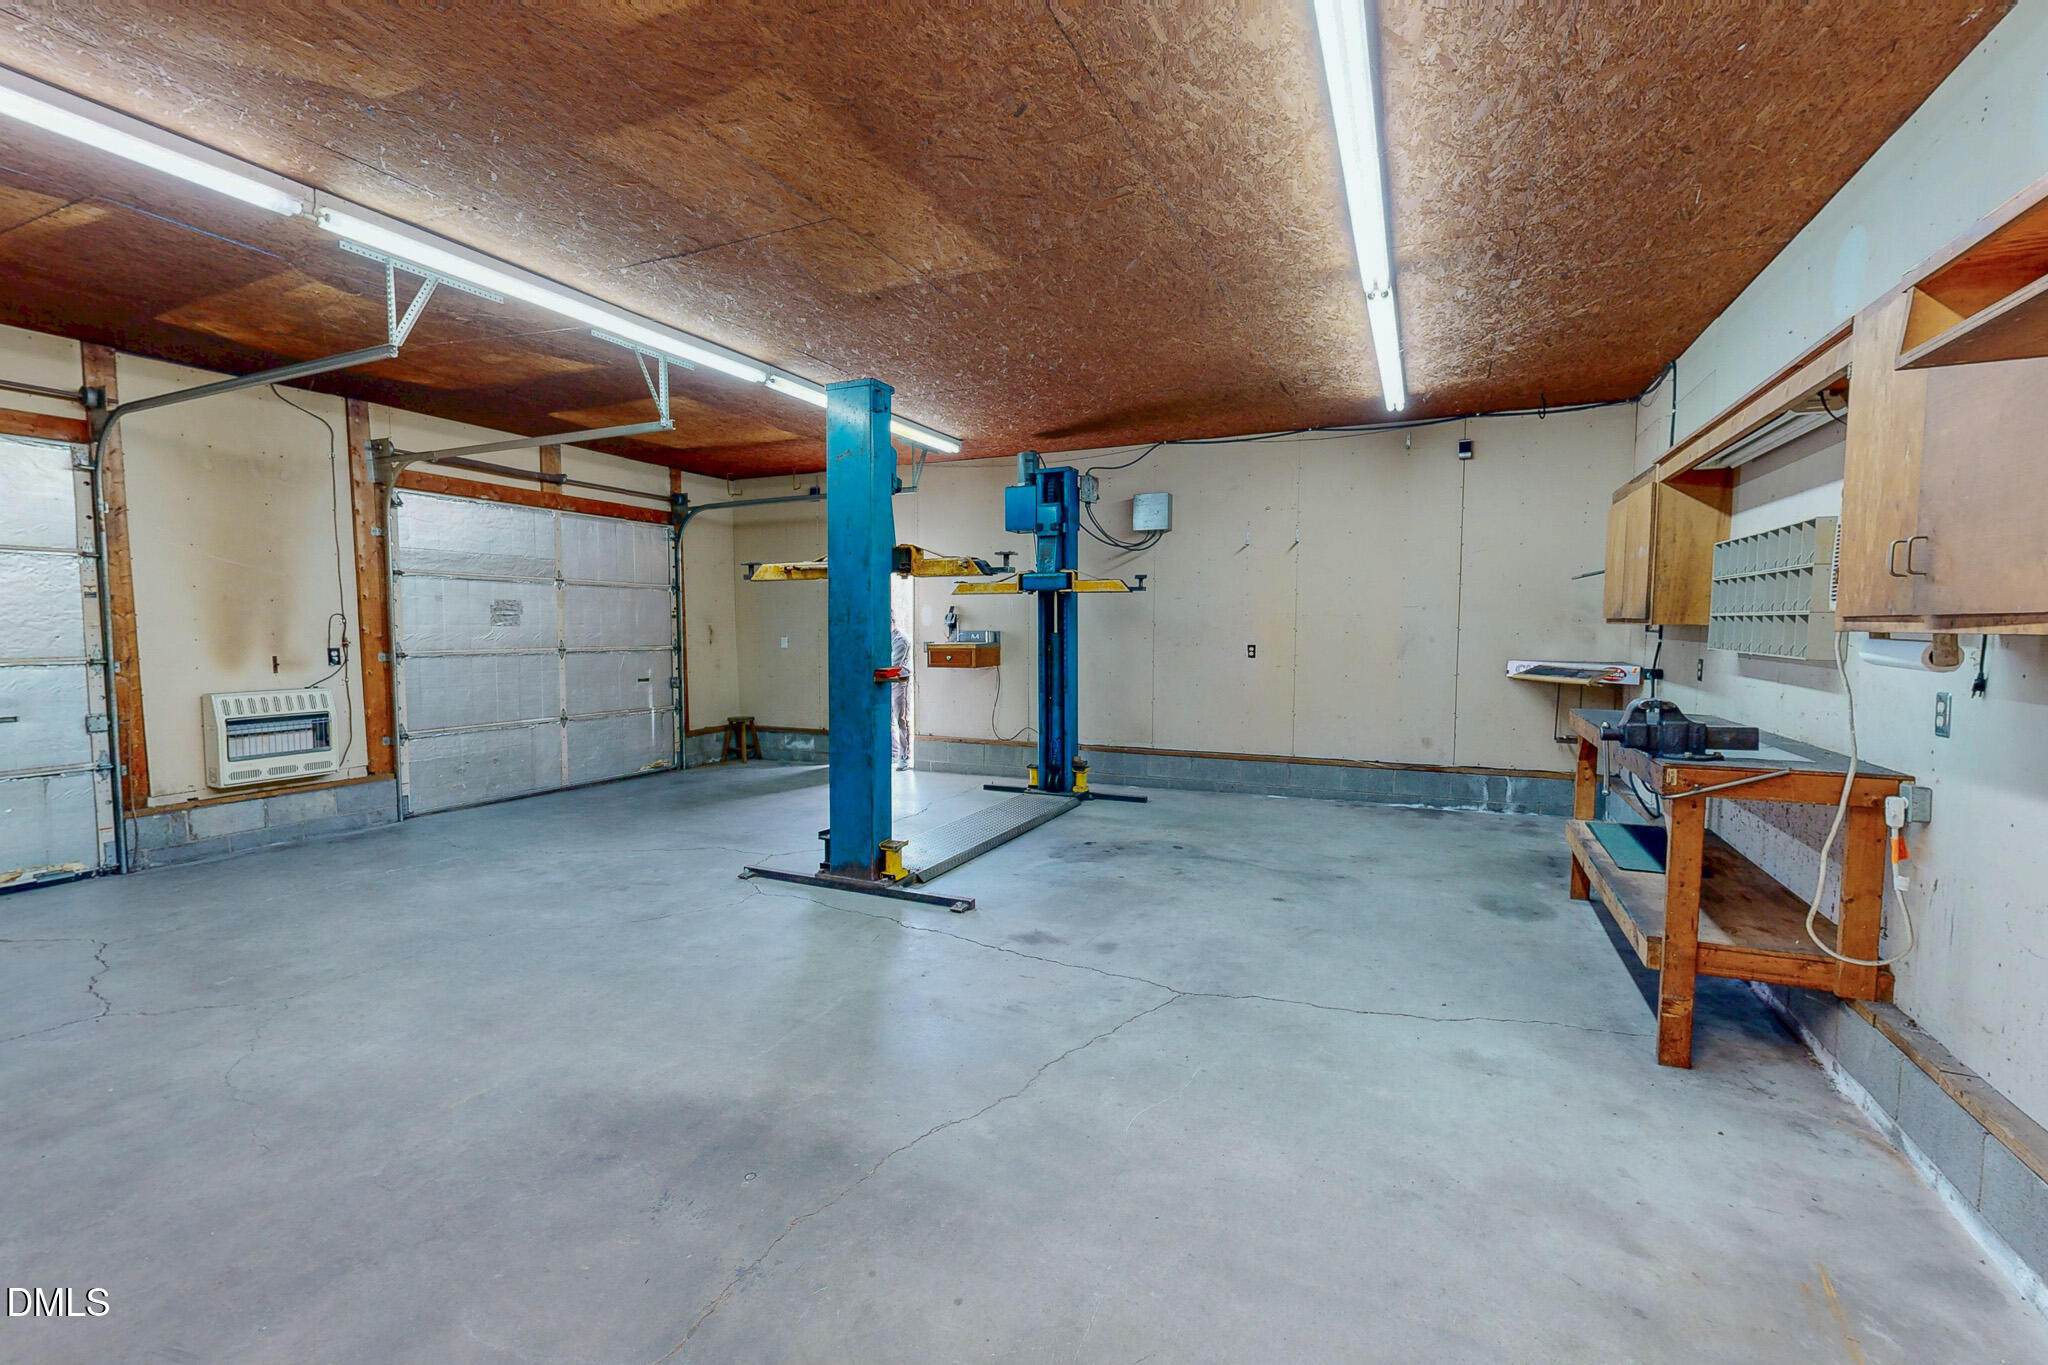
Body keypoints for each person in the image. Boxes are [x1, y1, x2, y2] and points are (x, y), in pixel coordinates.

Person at [890, 623, 912, 770]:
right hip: (884, 680)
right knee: (887, 719)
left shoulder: (901, 640)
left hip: (899, 682)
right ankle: (893, 753)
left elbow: (893, 665)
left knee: (901, 719)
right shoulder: (882, 638)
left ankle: (905, 757)